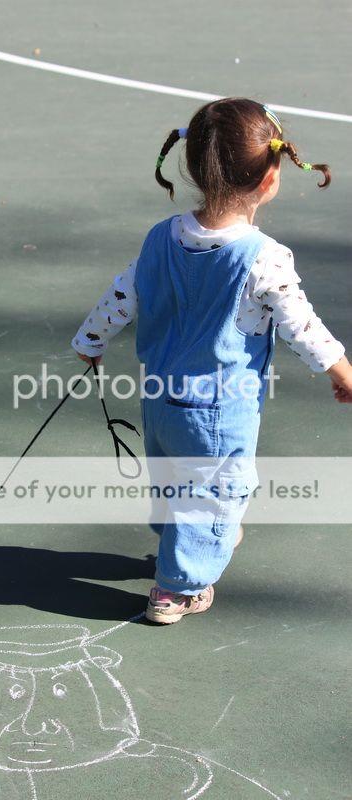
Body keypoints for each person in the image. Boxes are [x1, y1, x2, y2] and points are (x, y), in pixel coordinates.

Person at [71, 98, 352, 624]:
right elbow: (301, 326)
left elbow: (122, 295)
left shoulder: (162, 237)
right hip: (219, 410)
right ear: (270, 178)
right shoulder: (264, 257)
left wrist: (90, 339)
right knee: (215, 490)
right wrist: (343, 372)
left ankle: (188, 537)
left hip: (159, 398)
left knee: (174, 477)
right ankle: (178, 588)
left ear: (195, 170)